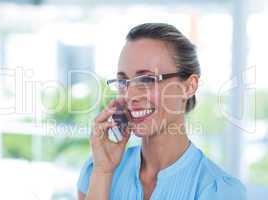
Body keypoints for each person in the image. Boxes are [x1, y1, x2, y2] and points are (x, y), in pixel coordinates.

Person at [77, 23, 246, 200]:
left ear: (189, 86)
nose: (130, 95)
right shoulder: (97, 170)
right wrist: (103, 172)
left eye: (147, 79)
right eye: (123, 81)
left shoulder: (218, 190)